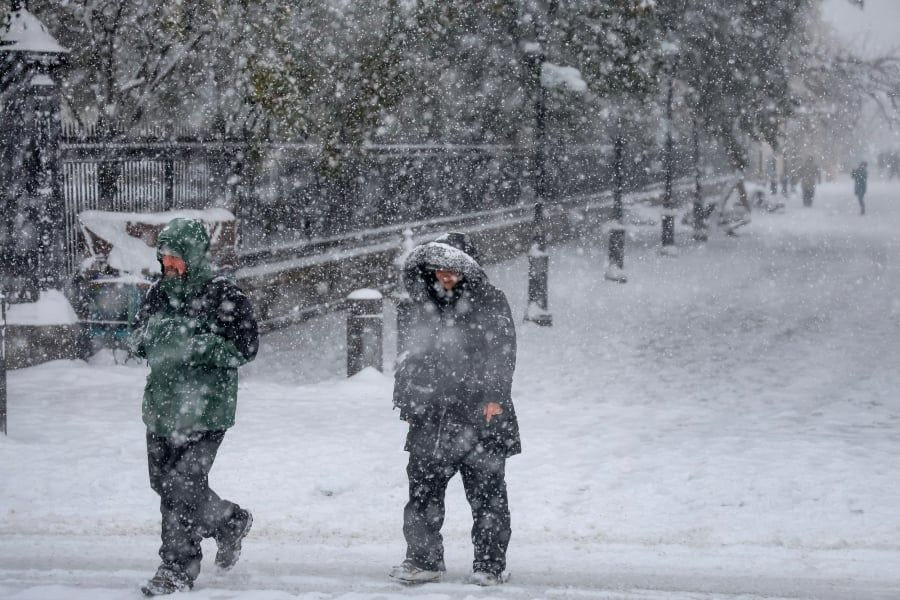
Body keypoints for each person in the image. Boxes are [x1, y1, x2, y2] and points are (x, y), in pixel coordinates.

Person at [129, 218, 259, 596]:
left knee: (181, 486)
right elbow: (136, 338)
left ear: (195, 256)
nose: (168, 265)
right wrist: (152, 337)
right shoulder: (157, 292)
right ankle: (229, 521)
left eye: (176, 258)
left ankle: (176, 568)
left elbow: (244, 349)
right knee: (164, 484)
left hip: (206, 410)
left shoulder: (224, 294)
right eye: (164, 257)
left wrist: (193, 343)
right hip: (162, 407)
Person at [390, 233, 520, 587]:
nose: (445, 276)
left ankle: (490, 565)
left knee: (487, 494)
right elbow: (407, 357)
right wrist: (408, 400)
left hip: (481, 415)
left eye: (452, 269)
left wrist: (493, 395)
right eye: (439, 269)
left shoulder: (490, 301)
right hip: (431, 416)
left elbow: (502, 351)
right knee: (422, 494)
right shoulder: (417, 305)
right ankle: (422, 559)